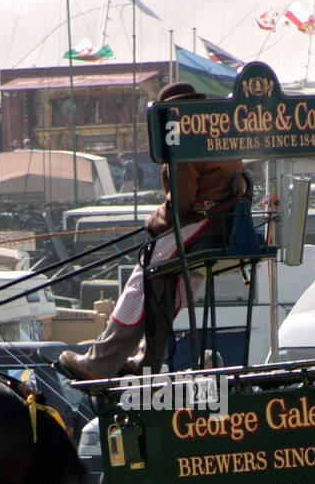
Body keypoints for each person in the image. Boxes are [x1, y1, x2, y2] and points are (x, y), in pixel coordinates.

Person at [58, 82, 248, 380]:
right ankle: (147, 363)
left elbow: (180, 204)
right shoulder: (213, 130)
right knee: (166, 289)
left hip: (203, 223)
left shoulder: (182, 135)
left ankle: (99, 362)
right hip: (225, 225)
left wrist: (154, 221)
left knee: (144, 276)